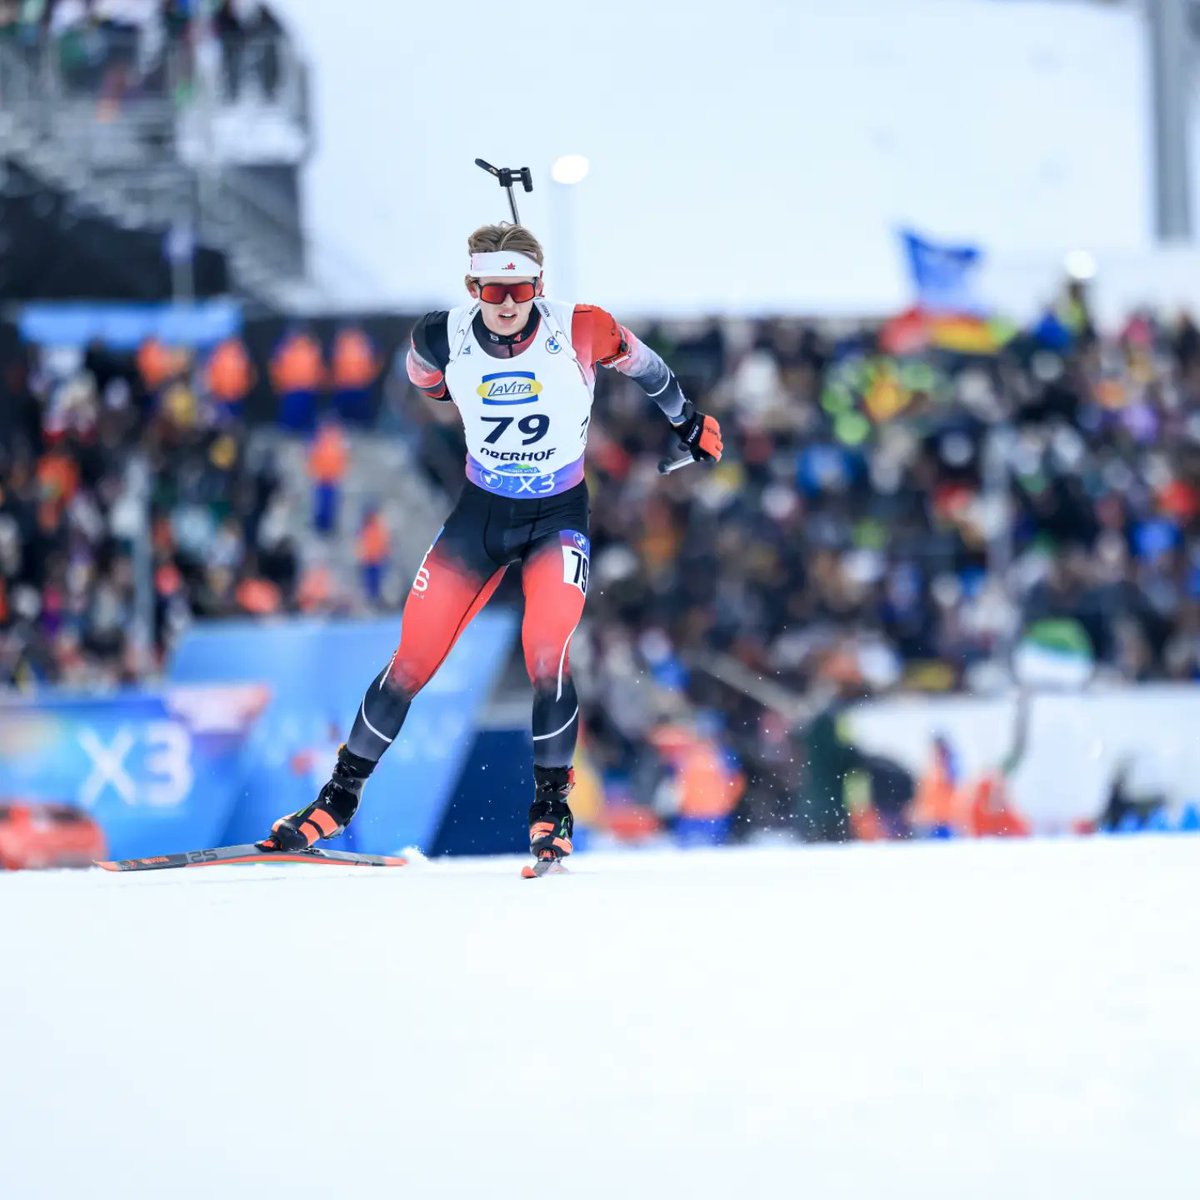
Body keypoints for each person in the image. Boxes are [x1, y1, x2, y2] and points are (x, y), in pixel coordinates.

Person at [258, 221, 723, 868]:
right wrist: (449, 392)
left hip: (556, 515)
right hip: (481, 515)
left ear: (539, 285)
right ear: (472, 286)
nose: (508, 304)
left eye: (522, 288)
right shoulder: (438, 333)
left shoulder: (582, 326)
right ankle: (337, 800)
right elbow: (421, 377)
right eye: (494, 290)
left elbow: (650, 368)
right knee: (410, 665)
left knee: (546, 656)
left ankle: (551, 810)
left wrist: (687, 422)